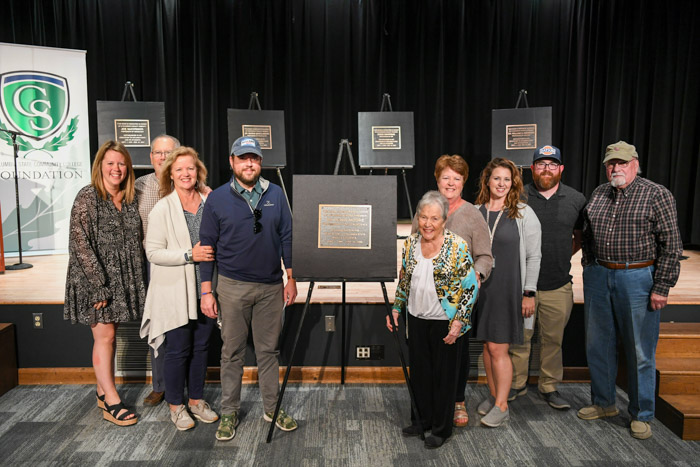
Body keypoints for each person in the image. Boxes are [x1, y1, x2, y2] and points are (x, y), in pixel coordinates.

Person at [578, 141, 682, 440]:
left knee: (640, 350)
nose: (616, 168)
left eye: (622, 163)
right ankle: (604, 403)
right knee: (597, 345)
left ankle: (642, 413)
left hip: (637, 277)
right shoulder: (599, 193)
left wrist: (662, 286)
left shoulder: (656, 194)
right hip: (600, 275)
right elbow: (586, 235)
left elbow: (672, 246)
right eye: (611, 163)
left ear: (635, 164)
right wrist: (589, 265)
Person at [199, 136, 297, 441]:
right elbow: (207, 247)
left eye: (254, 158)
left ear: (261, 162)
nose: (249, 163)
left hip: (270, 287)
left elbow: (287, 237)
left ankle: (272, 407)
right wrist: (206, 291)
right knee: (232, 353)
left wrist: (290, 277)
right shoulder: (216, 198)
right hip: (231, 287)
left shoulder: (276, 194)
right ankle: (229, 412)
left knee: (269, 352)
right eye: (243, 158)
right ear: (232, 162)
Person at [64, 140, 146, 426]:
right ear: (99, 166)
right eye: (110, 163)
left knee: (110, 335)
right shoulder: (87, 197)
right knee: (105, 337)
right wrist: (98, 285)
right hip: (94, 278)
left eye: (121, 163)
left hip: (122, 279)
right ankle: (111, 399)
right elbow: (79, 243)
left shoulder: (130, 197)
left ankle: (102, 389)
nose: (116, 169)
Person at [389, 190, 478, 449]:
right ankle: (421, 420)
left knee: (444, 378)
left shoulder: (457, 245)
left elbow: (470, 288)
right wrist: (396, 308)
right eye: (423, 217)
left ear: (444, 220)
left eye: (434, 219)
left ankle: (441, 428)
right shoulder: (410, 243)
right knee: (421, 374)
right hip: (416, 319)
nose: (428, 223)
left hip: (446, 323)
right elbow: (404, 279)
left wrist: (459, 323)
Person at [139, 147, 219, 431]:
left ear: (198, 172)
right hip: (174, 293)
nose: (186, 174)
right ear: (170, 175)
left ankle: (196, 401)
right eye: (179, 169)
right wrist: (189, 255)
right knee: (178, 351)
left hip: (208, 290)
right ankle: (176, 406)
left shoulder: (211, 201)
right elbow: (153, 252)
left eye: (191, 168)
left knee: (201, 348)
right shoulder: (162, 208)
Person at [411, 154, 493, 427]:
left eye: (456, 178)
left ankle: (457, 401)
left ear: (463, 182)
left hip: (459, 299)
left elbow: (485, 256)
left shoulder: (472, 214)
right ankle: (430, 408)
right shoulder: (425, 209)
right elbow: (413, 245)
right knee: (427, 359)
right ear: (437, 179)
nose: (450, 183)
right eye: (445, 177)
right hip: (425, 300)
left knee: (455, 354)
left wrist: (478, 274)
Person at [508, 146, 586, 409]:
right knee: (520, 339)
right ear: (532, 168)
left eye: (552, 165)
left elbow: (580, 236)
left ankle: (549, 387)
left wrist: (562, 254)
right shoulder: (518, 196)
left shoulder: (576, 199)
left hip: (558, 284)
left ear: (561, 169)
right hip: (522, 285)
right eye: (541, 164)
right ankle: (517, 384)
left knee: (553, 340)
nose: (546, 169)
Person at [473, 157, 541, 427]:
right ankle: (493, 395)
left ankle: (502, 406)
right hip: (483, 289)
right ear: (487, 181)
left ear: (513, 183)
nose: (501, 183)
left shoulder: (523, 213)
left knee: (499, 348)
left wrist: (529, 292)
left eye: (506, 179)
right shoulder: (476, 211)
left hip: (508, 289)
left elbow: (534, 257)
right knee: (488, 348)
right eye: (496, 178)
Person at [136, 134, 180, 407]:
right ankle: (160, 385)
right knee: (158, 325)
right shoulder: (139, 187)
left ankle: (183, 385)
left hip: (185, 265)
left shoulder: (190, 183)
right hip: (152, 268)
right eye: (157, 152)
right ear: (150, 157)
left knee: (184, 328)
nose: (162, 157)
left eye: (167, 152)